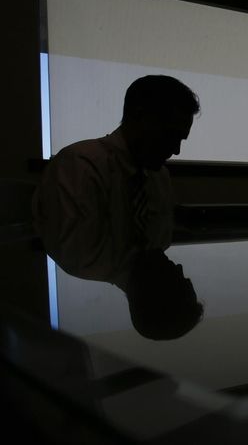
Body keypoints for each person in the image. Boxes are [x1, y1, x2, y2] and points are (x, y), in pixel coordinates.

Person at [32, 75, 203, 340]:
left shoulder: (157, 176)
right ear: (140, 117)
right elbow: (75, 234)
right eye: (171, 135)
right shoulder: (80, 165)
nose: (177, 151)